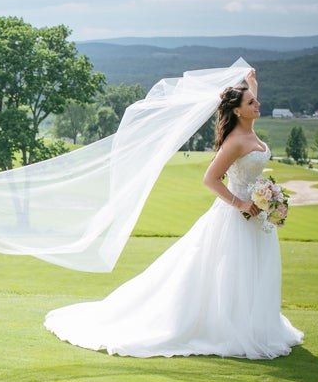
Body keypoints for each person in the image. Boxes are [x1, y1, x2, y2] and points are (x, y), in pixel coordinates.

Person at [44, 69, 304, 359]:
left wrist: (252, 84)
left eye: (256, 101)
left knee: (253, 271)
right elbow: (210, 179)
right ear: (238, 111)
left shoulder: (249, 129)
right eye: (252, 103)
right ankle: (225, 328)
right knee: (229, 272)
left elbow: (248, 104)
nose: (258, 105)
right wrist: (240, 203)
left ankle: (254, 325)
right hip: (236, 216)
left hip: (256, 217)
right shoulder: (235, 141)